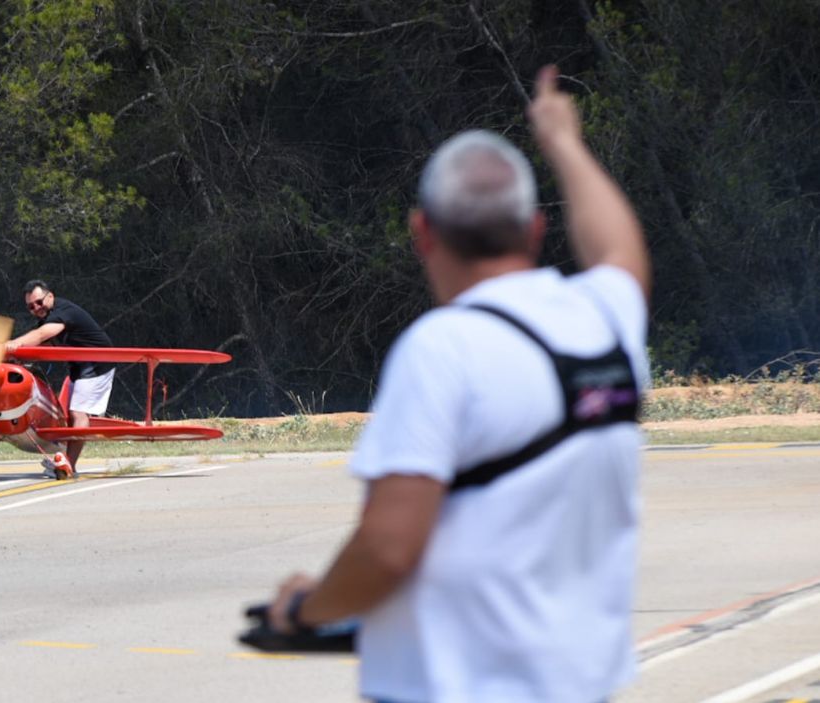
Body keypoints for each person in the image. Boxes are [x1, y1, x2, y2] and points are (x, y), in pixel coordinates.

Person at [265, 65, 651, 702]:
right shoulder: (605, 320)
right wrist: (563, 141)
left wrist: (306, 608)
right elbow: (620, 251)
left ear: (423, 233)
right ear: (535, 229)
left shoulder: (443, 348)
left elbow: (388, 550)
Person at [6, 280, 115, 478]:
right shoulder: (48, 318)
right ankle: (63, 459)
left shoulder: (62, 312)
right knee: (66, 416)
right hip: (78, 367)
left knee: (78, 414)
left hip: (97, 363)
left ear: (50, 296)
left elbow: (42, 335)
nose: (36, 308)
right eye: (31, 307)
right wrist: (15, 358)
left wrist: (14, 344)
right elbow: (42, 343)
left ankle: (69, 465)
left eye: (39, 302)